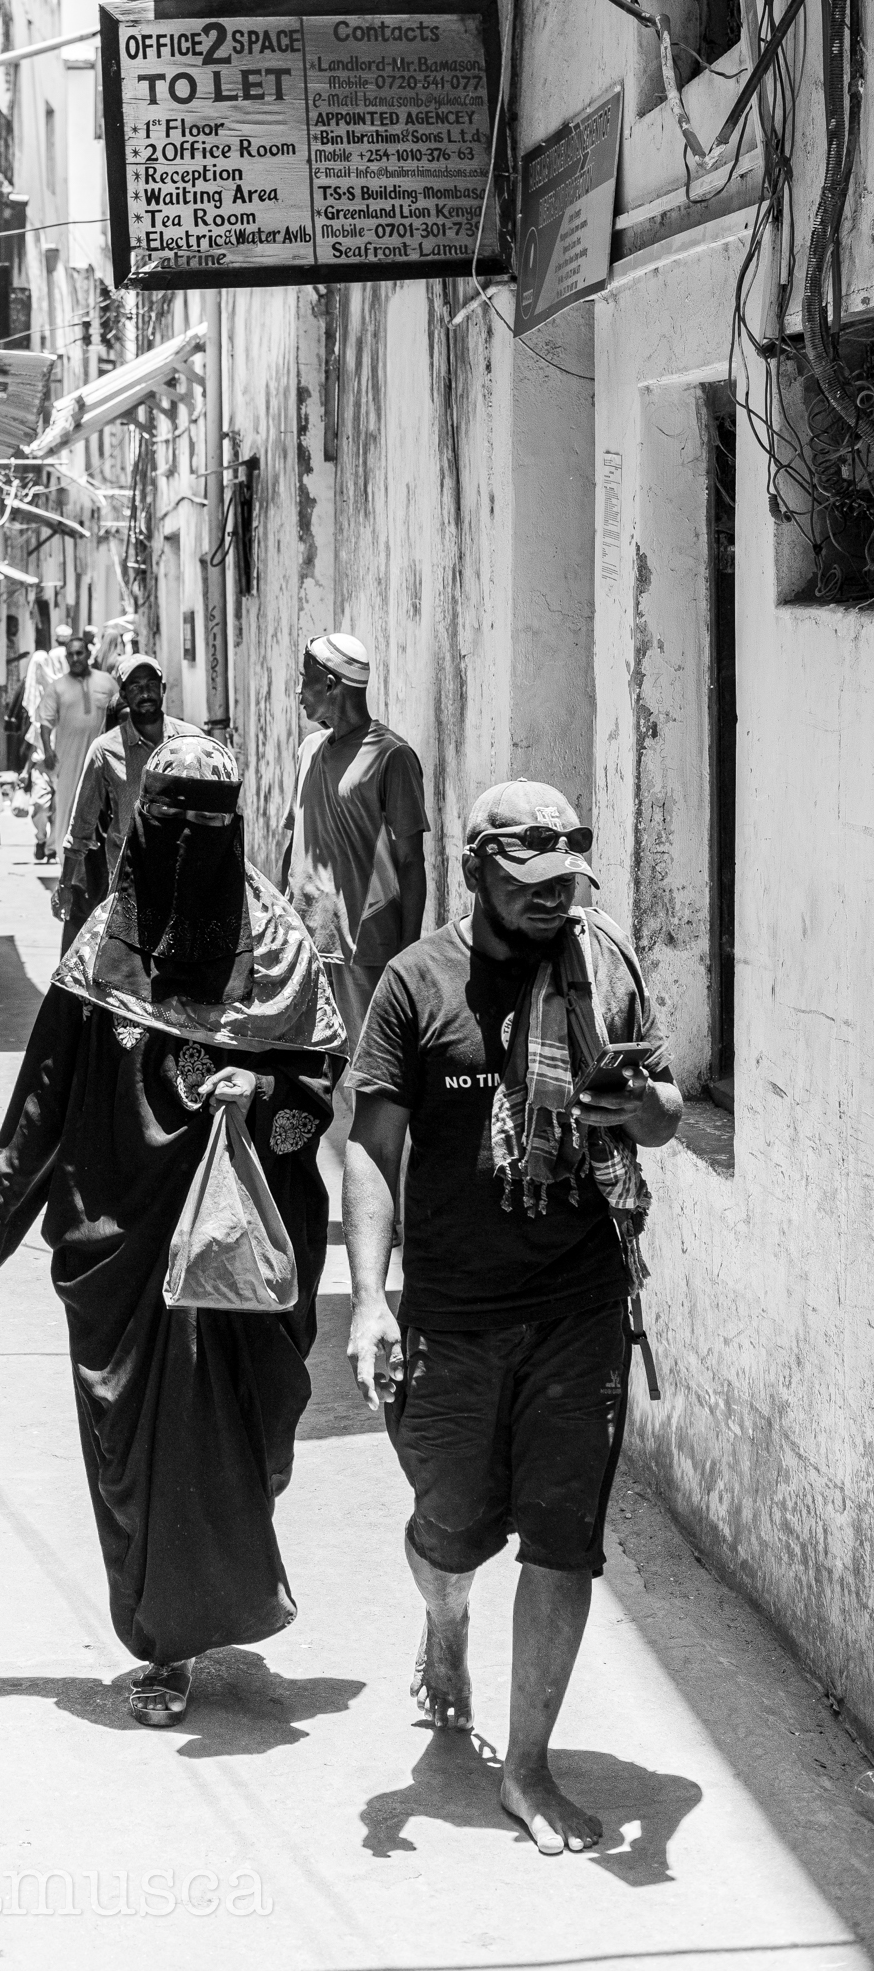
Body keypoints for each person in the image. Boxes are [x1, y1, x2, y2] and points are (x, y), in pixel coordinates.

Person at [0, 738, 347, 1727]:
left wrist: (261, 1089)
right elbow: (47, 1087)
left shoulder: (279, 950)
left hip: (235, 1244)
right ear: (141, 820)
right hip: (123, 1243)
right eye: (171, 813)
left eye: (210, 818)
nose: (189, 835)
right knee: (138, 1448)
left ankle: (206, 1603)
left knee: (236, 1439)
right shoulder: (104, 947)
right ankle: (166, 1645)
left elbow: (315, 1086)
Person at [342, 778, 683, 1857]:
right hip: (453, 1317)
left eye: (563, 880)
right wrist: (369, 1299)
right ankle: (444, 1622)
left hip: (580, 1307)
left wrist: (639, 1106)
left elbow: (666, 1110)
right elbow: (372, 1147)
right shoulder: (415, 983)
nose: (550, 899)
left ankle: (527, 1767)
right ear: (475, 871)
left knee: (562, 1541)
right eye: (527, 880)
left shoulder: (602, 968)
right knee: (449, 1530)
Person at [282, 633, 430, 1056]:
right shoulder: (309, 749)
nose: (299, 692)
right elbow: (294, 843)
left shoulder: (392, 756)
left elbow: (411, 863)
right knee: (308, 1073)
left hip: (365, 950)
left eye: (305, 679)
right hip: (304, 943)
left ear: (330, 684)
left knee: (367, 1069)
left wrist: (407, 960)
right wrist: (277, 919)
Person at [51, 653, 202, 952]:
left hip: (186, 878)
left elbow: (219, 812)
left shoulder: (192, 740)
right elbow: (81, 825)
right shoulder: (105, 750)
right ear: (123, 693)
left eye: (151, 684)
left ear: (163, 689)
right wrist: (66, 885)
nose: (145, 692)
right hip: (129, 883)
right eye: (135, 686)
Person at [37, 631, 118, 867]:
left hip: (104, 761)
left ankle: (101, 868)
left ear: (88, 654)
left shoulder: (107, 682)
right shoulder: (57, 687)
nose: (75, 658)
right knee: (67, 810)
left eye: (79, 653)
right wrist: (48, 752)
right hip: (69, 761)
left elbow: (121, 713)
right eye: (70, 655)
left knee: (103, 811)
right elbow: (45, 722)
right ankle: (66, 867)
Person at [22, 619, 72, 862]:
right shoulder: (43, 707)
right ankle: (41, 838)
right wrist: (25, 771)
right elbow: (35, 741)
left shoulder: (69, 704)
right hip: (42, 767)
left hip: (64, 766)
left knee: (60, 809)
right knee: (41, 806)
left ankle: (51, 848)